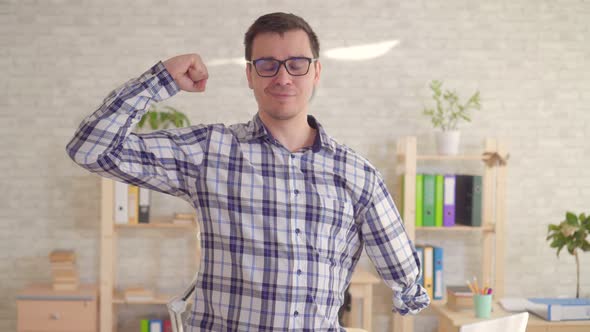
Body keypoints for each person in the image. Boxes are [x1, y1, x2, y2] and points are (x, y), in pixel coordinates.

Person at [66, 12, 429, 331]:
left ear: (316, 71)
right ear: (250, 75)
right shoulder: (210, 150)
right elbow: (90, 149)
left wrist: (408, 294)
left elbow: (404, 276)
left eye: (297, 63)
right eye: (267, 64)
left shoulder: (356, 172)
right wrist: (160, 79)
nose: (283, 77)